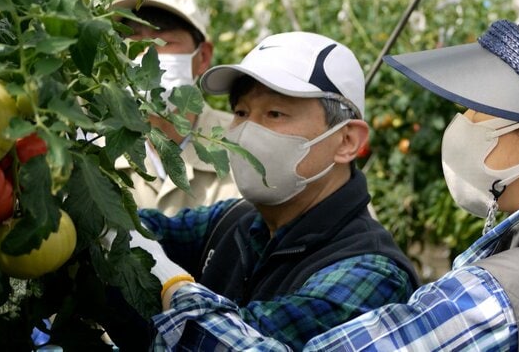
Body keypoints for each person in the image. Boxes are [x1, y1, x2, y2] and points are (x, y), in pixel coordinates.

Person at [129, 9, 519, 351]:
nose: (458, 125)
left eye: (476, 111)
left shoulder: (504, 292)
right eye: (241, 112)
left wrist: (171, 285)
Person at [112, 31, 420, 351]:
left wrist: (168, 282)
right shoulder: (236, 221)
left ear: (347, 141)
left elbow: (234, 342)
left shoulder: (369, 272)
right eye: (242, 113)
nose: (247, 132)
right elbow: (146, 228)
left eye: (274, 114)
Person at [111, 0, 241, 215]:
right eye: (134, 41)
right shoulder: (101, 152)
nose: (146, 55)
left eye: (164, 42)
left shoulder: (240, 144)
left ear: (203, 57)